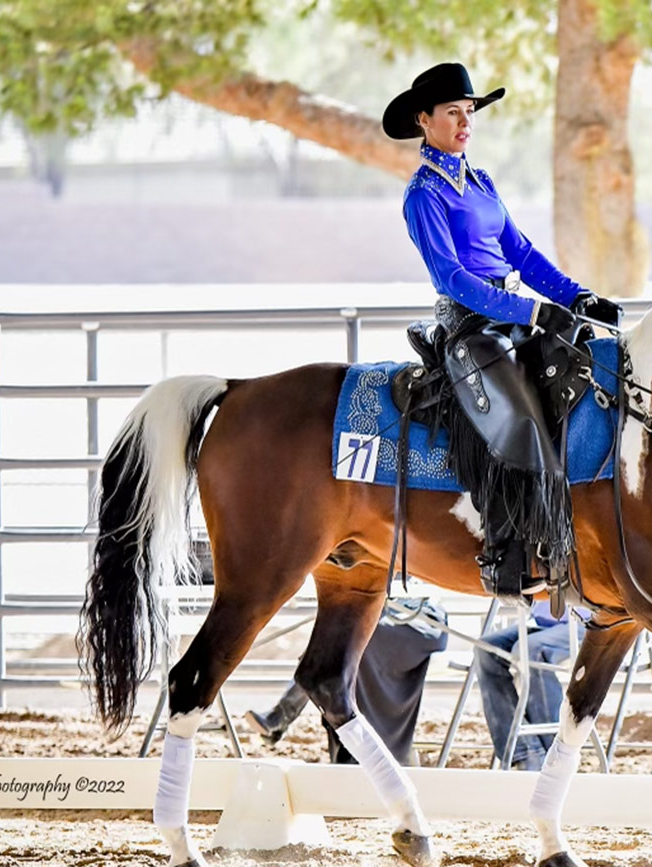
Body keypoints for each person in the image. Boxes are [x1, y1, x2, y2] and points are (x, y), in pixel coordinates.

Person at [382, 62, 622, 598]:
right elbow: (454, 278)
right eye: (453, 113)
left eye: (469, 113)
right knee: (522, 425)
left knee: (581, 378)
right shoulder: (423, 196)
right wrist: (533, 313)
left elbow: (521, 252)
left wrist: (574, 295)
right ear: (424, 120)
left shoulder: (480, 181)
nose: (465, 123)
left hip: (510, 316)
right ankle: (508, 555)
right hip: (470, 326)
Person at [246, 599, 448, 765]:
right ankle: (283, 716)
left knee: (346, 637)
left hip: (421, 616)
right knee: (344, 635)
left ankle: (282, 715)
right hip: (388, 610)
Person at [474, 599, 585, 770]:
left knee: (531, 650)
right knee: (485, 648)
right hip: (542, 623)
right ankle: (526, 751)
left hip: (586, 622)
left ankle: (554, 755)